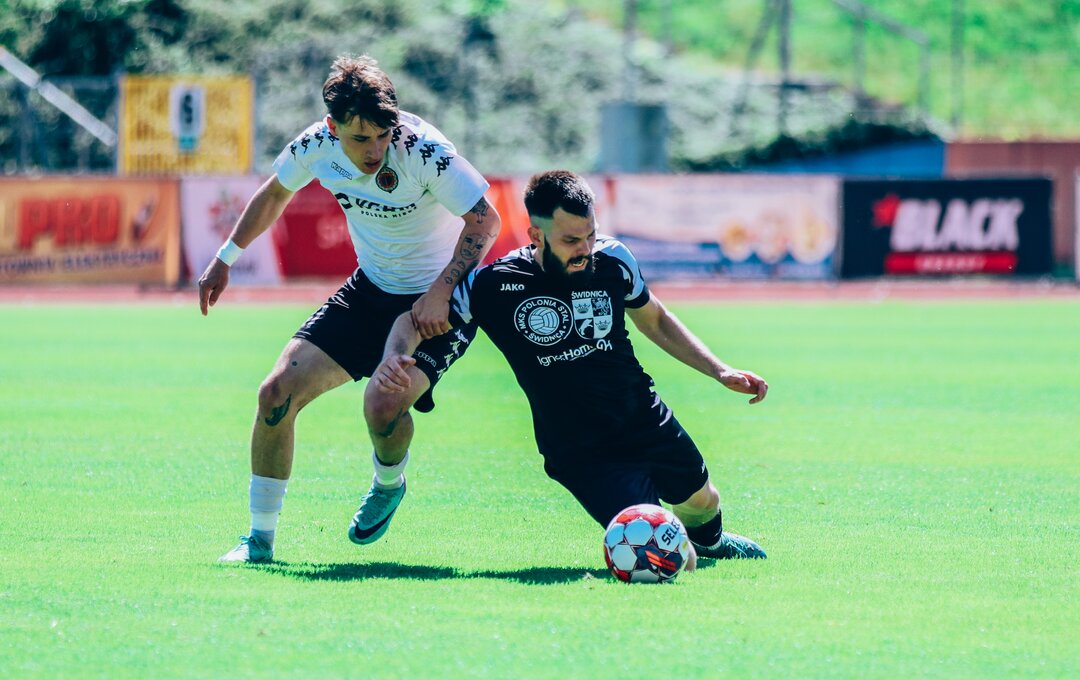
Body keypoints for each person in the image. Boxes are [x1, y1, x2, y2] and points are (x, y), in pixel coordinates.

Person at [369, 170, 767, 565]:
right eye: (571, 240)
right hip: (580, 448)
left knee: (703, 502)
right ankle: (686, 550)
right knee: (660, 546)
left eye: (590, 234)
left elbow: (657, 320)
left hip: (642, 415)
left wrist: (719, 370)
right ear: (536, 235)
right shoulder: (492, 285)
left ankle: (713, 544)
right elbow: (414, 320)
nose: (585, 249)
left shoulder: (613, 259)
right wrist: (393, 356)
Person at [200, 54, 501, 563]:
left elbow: (485, 221)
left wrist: (442, 291)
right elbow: (274, 195)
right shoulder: (314, 146)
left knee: (382, 406)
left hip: (439, 304)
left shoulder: (423, 150)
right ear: (332, 127)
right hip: (368, 292)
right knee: (275, 394)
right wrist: (226, 257)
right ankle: (259, 541)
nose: (375, 150)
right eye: (361, 139)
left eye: (383, 135)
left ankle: (389, 482)